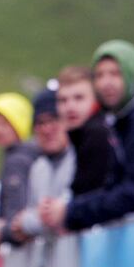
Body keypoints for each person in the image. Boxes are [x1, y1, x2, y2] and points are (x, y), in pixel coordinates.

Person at [39, 40, 134, 232]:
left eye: (115, 73)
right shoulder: (123, 121)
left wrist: (71, 212)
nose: (106, 83)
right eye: (99, 75)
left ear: (133, 72)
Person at [12, 88, 75, 241]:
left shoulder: (80, 157)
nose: (47, 129)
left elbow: (65, 214)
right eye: (40, 123)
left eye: (53, 119)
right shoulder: (38, 169)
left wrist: (28, 222)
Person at [54, 65, 113, 195]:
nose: (70, 107)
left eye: (79, 98)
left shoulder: (97, 135)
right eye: (63, 100)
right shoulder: (79, 138)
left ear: (96, 100)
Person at [0, 93, 41, 224]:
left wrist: (5, 232)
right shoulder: (30, 153)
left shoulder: (17, 160)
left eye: (4, 124)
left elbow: (14, 209)